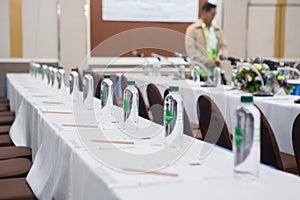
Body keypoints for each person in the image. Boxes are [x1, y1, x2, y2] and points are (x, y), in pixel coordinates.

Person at [185, 1, 227, 69]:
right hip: (199, 69)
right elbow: (191, 50)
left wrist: (219, 58)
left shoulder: (217, 30)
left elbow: (223, 46)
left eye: (214, 15)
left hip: (215, 69)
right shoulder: (193, 29)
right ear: (204, 12)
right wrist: (208, 62)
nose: (213, 17)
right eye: (212, 14)